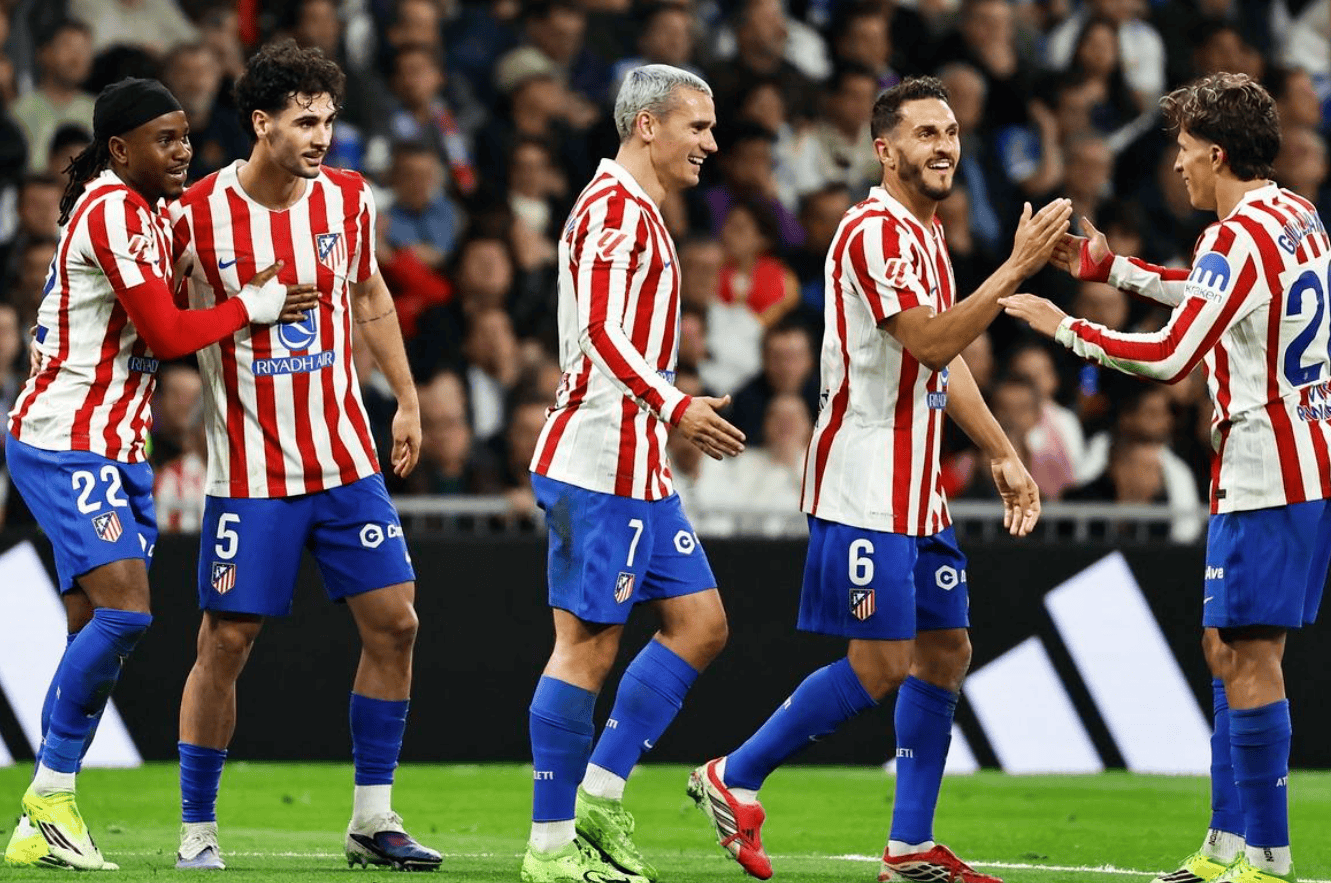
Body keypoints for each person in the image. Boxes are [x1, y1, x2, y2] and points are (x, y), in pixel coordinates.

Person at [688, 75, 1071, 883]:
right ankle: (734, 774)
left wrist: (1000, 450)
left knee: (945, 649)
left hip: (918, 486)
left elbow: (941, 361)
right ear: (883, 149)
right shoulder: (872, 232)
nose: (944, 146)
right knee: (882, 662)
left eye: (950, 132)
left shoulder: (924, 236)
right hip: (864, 479)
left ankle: (908, 846)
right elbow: (929, 341)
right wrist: (1012, 269)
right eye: (925, 132)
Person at [1001, 72, 1330, 883]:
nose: (1176, 165)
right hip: (1294, 460)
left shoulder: (1232, 238)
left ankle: (1267, 858)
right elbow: (1216, 298)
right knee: (1224, 647)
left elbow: (1172, 353)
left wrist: (1065, 326)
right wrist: (1114, 270)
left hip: (1266, 470)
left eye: (1184, 150)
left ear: (1216, 154)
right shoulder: (1293, 215)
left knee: (1250, 656)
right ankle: (1223, 845)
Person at [2, 77, 309, 871]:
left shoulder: (153, 210)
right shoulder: (111, 208)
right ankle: (48, 799)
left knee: (93, 629)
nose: (181, 151)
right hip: (66, 436)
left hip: (116, 444)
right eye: (164, 139)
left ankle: (45, 813)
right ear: (119, 149)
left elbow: (202, 223)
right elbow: (168, 333)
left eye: (185, 137)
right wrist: (251, 306)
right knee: (125, 613)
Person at [166, 41, 440, 872]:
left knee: (397, 623)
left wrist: (406, 397)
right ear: (262, 122)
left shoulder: (348, 199)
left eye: (329, 120)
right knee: (226, 640)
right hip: (251, 473)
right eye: (305, 121)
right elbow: (160, 319)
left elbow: (369, 294)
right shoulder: (197, 213)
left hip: (346, 460)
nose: (322, 136)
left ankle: (372, 818)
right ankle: (197, 830)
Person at [522, 63, 746, 883]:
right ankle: (549, 847)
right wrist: (674, 403)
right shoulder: (613, 209)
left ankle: (598, 795)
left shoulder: (636, 208)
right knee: (584, 648)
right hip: (595, 463)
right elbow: (602, 332)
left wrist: (664, 414)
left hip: (638, 467)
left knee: (700, 624)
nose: (710, 143)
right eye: (697, 126)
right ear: (647, 125)